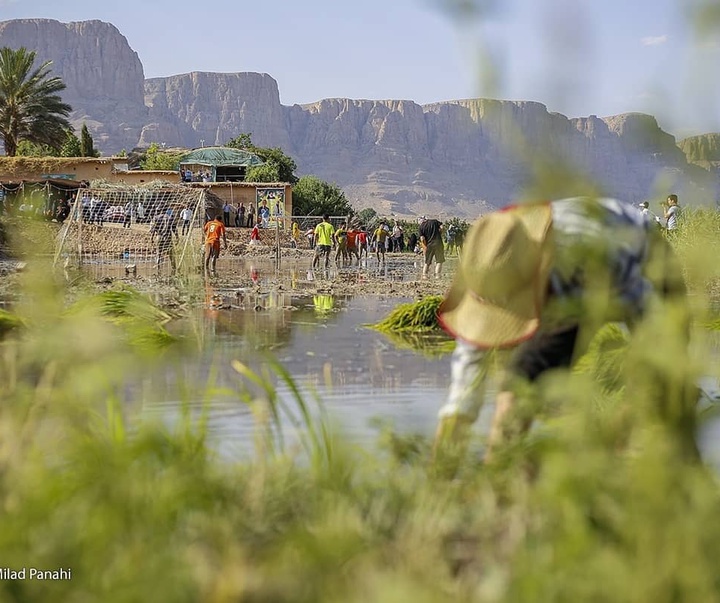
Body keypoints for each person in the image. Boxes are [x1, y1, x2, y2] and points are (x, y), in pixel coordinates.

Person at [433, 197, 696, 462]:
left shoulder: (594, 258)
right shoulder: (491, 258)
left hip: (636, 257)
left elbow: (657, 333)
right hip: (563, 280)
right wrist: (442, 463)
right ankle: (500, 469)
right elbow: (467, 375)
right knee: (520, 381)